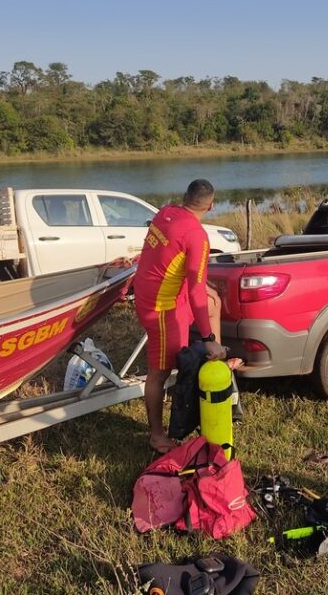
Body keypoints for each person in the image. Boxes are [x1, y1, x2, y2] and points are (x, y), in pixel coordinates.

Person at [133, 179, 226, 454]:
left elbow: (172, 262)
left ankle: (218, 368)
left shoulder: (166, 212)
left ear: (185, 197)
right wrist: (206, 337)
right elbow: (195, 290)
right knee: (159, 374)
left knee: (213, 301)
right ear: (211, 205)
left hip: (156, 292)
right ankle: (156, 434)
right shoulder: (197, 236)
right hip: (160, 308)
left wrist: (204, 288)